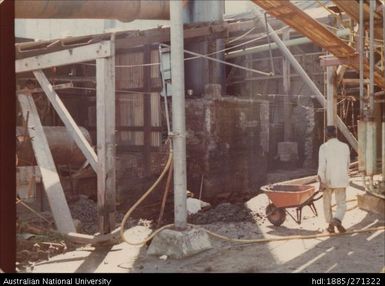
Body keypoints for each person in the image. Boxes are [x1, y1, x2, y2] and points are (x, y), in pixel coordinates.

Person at [317, 126, 350, 233]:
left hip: (328, 179)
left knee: (327, 202)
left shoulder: (323, 147)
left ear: (326, 135)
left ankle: (331, 223)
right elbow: (347, 164)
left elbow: (322, 166)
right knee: (342, 203)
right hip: (341, 178)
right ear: (336, 134)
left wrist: (321, 180)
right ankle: (337, 219)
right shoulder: (345, 146)